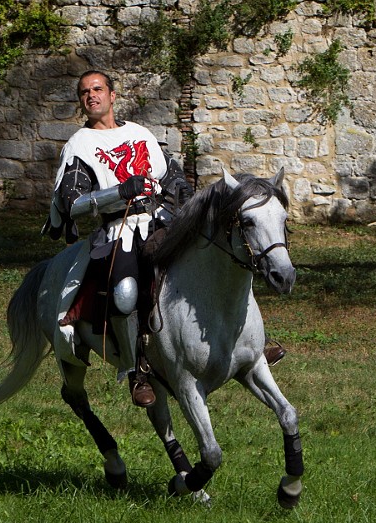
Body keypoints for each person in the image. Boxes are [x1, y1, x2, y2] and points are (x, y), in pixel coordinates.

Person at [43, 70, 285, 408]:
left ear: (112, 95)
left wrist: (189, 208)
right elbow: (73, 204)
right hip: (119, 231)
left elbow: (171, 176)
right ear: (81, 101)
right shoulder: (79, 145)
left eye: (98, 89)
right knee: (126, 293)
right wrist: (116, 192)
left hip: (162, 221)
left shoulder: (139, 133)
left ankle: (252, 342)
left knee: (220, 257)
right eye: (84, 92)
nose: (91, 96)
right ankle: (137, 369)